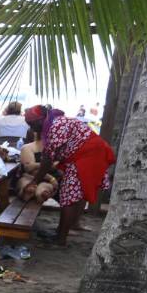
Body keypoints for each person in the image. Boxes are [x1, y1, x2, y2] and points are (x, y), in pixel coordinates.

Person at [24, 104, 115, 244]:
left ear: (41, 120)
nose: (31, 128)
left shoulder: (56, 127)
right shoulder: (54, 121)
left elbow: (47, 160)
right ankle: (67, 227)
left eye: (32, 124)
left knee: (68, 196)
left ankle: (60, 238)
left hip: (87, 156)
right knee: (77, 193)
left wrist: (35, 181)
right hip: (88, 154)